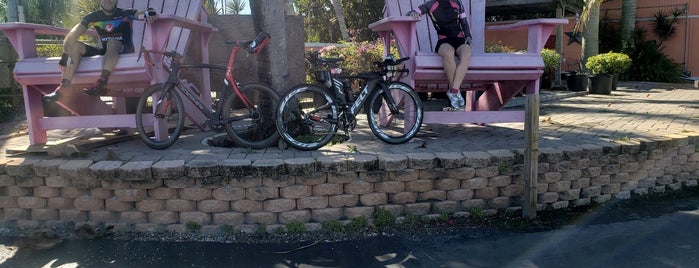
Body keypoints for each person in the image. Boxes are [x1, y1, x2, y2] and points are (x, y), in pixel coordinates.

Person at [43, 0, 158, 102]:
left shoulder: (125, 13)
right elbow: (72, 34)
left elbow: (140, 13)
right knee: (75, 46)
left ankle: (101, 83)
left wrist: (150, 12)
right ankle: (64, 87)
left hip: (124, 51)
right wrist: (65, 55)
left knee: (112, 41)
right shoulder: (92, 17)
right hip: (106, 52)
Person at [407, 0, 472, 110]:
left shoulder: (457, 3)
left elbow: (464, 22)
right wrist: (413, 13)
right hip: (444, 41)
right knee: (448, 53)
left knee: (466, 53)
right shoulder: (431, 4)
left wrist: (468, 37)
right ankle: (456, 91)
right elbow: (411, 13)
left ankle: (453, 91)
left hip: (460, 39)